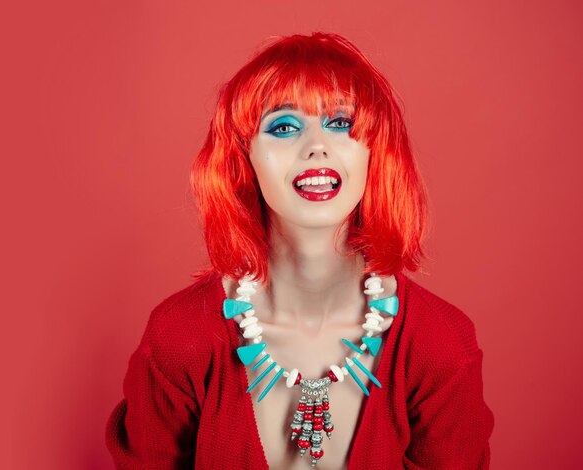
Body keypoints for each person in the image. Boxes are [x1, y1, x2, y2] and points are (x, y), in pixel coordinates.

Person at [105, 32, 494, 469]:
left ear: (374, 151)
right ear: (243, 158)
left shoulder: (438, 344)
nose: (316, 146)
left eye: (341, 122)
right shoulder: (180, 339)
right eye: (284, 127)